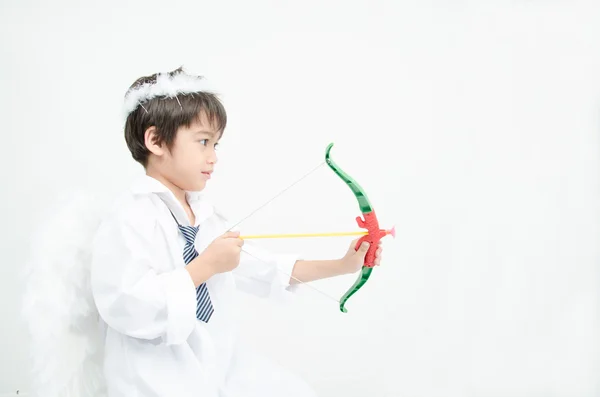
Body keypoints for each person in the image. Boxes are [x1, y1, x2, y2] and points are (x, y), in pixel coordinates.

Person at [24, 66, 384, 397]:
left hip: (215, 372)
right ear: (155, 141)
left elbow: (264, 268)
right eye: (202, 142)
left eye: (216, 144)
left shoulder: (206, 218)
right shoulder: (129, 218)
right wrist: (205, 267)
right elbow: (126, 306)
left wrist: (343, 265)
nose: (213, 157)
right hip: (152, 382)